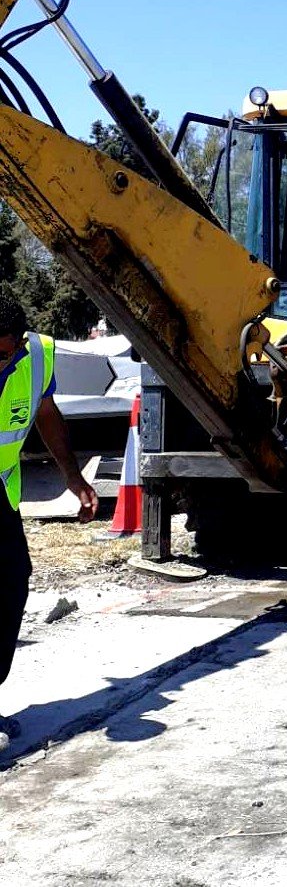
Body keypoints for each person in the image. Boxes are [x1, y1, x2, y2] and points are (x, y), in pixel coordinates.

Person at [0, 288, 98, 752]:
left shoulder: (34, 354)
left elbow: (45, 412)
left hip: (1, 496)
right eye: (1, 354)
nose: (10, 360)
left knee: (12, 582)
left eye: (11, 349)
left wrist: (74, 477)